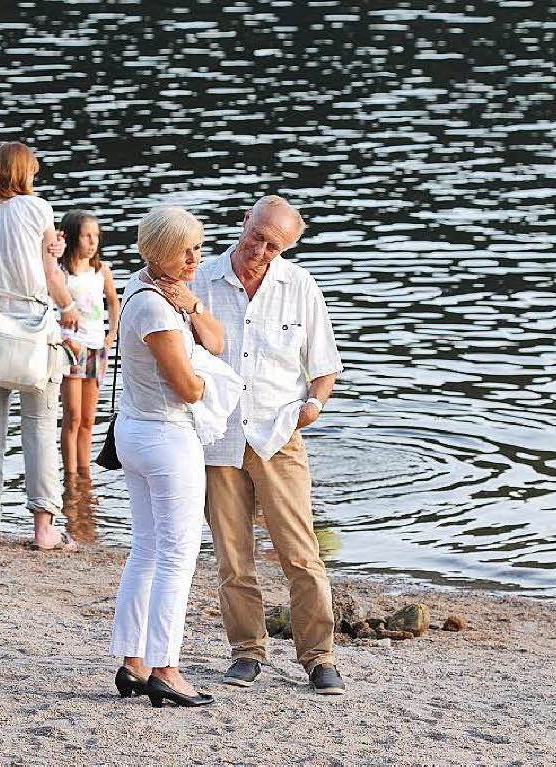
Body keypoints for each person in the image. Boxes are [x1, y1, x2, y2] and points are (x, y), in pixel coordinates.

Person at [189, 195, 347, 694]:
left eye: (272, 245)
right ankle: (246, 652)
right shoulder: (199, 281)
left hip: (280, 436)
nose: (260, 249)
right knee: (233, 558)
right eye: (256, 236)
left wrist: (313, 407)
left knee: (301, 554)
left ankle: (319, 658)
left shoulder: (299, 286)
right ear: (244, 222)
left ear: (285, 248)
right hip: (218, 439)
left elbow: (325, 368)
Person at [108, 206, 225, 709]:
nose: (196, 257)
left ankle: (133, 663)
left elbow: (218, 339)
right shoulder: (155, 309)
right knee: (178, 556)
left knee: (147, 549)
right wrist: (207, 378)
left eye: (198, 247)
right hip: (165, 438)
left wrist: (195, 306)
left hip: (134, 431)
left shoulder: (140, 287)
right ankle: (167, 669)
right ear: (161, 254)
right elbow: (187, 388)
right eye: (187, 251)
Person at [0, 141, 79, 550]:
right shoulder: (36, 208)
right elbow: (47, 272)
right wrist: (71, 306)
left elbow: (4, 259)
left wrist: (49, 249)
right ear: (23, 173)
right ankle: (44, 529)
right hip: (33, 329)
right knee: (41, 426)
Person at [57, 210, 120, 479]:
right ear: (73, 238)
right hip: (71, 349)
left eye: (96, 236)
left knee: (88, 419)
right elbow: (51, 308)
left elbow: (113, 301)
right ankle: (71, 475)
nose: (93, 241)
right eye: (86, 236)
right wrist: (65, 339)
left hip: (96, 348)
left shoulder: (101, 270)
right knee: (72, 416)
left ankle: (85, 475)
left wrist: (111, 334)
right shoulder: (61, 273)